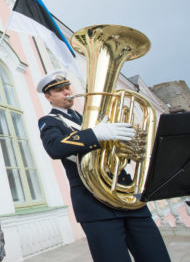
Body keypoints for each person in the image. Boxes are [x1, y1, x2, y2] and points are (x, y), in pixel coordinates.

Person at [37, 69, 170, 262]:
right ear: (48, 96)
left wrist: (126, 144)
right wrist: (96, 134)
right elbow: (55, 148)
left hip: (127, 196)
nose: (67, 92)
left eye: (67, 87)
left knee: (156, 256)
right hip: (94, 204)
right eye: (59, 90)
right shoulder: (49, 121)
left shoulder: (89, 120)